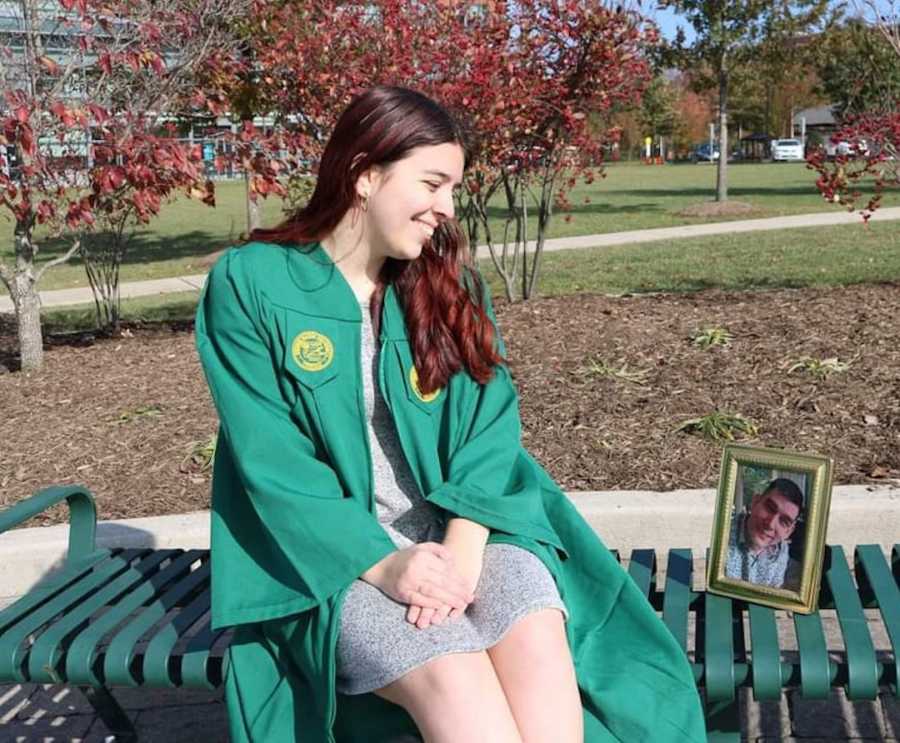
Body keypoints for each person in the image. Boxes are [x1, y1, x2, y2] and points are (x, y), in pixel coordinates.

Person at [195, 85, 705, 743]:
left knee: (538, 642)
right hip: (331, 559)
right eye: (433, 183)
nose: (447, 208)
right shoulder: (252, 283)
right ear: (364, 173)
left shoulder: (447, 285)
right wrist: (382, 562)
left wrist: (464, 546)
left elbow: (491, 423)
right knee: (456, 679)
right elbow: (273, 461)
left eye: (454, 188)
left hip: (467, 529)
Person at [725, 477, 803, 589]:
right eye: (770, 508)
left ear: (788, 532)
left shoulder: (781, 551)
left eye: (784, 521)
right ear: (755, 502)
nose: (770, 524)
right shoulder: (723, 536)